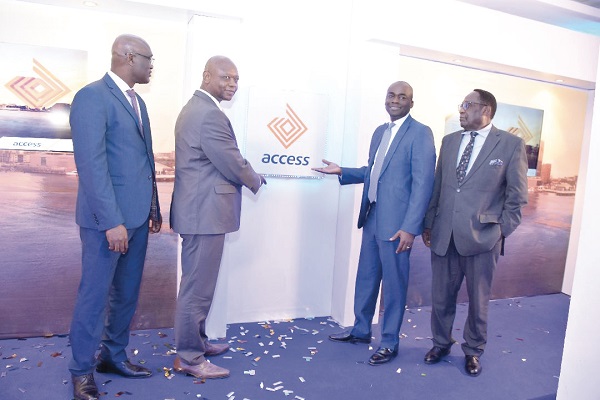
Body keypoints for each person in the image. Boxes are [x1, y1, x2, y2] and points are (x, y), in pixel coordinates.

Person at [313, 81, 436, 365]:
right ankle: (360, 329)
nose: (396, 100)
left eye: (403, 96)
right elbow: (375, 172)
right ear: (385, 99)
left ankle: (390, 342)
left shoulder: (420, 133)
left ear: (411, 103)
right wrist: (343, 170)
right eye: (392, 95)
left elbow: (423, 184)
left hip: (397, 225)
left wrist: (410, 227)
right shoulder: (381, 132)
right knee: (366, 277)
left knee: (394, 285)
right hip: (373, 216)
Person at [68, 34, 162, 400]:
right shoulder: (92, 97)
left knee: (126, 295)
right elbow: (91, 165)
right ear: (128, 56)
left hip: (138, 219)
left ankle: (113, 357)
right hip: (105, 223)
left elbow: (145, 163)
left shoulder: (137, 102)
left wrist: (153, 208)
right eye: (148, 59)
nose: (152, 66)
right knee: (94, 297)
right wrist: (111, 221)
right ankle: (80, 371)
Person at [170, 55, 266, 379]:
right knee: (197, 289)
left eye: (236, 80)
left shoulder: (200, 109)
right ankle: (190, 358)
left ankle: (196, 343)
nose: (232, 85)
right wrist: (254, 178)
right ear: (207, 75)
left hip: (201, 213)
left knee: (199, 286)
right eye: (226, 78)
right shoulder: (208, 114)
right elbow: (231, 161)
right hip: (204, 215)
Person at [422, 89, 528, 377]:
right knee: (442, 297)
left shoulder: (511, 145)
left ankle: (473, 351)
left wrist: (500, 231)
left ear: (486, 110)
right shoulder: (450, 141)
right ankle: (441, 343)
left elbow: (517, 198)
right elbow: (439, 186)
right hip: (445, 235)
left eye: (467, 105)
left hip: (483, 239)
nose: (461, 110)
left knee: (478, 302)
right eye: (461, 105)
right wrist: (429, 223)